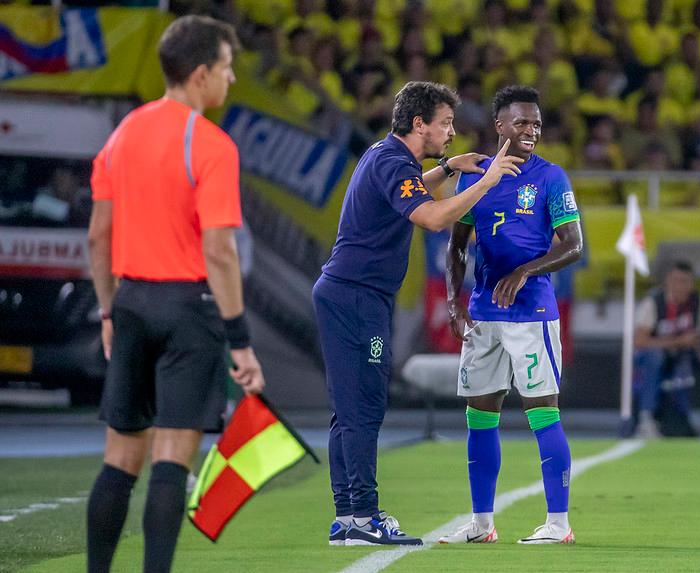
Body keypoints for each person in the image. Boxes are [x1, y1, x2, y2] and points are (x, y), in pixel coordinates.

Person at [86, 16, 265, 572]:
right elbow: (220, 251)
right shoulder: (210, 144)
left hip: (132, 304)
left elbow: (97, 235)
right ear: (201, 73)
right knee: (172, 459)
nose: (231, 81)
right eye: (228, 69)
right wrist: (240, 340)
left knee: (121, 458)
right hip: (190, 312)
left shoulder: (121, 135)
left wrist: (109, 309)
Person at [313, 81, 524, 547]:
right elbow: (430, 218)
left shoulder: (386, 157)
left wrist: (448, 167)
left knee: (348, 409)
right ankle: (365, 516)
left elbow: (410, 192)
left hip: (348, 294)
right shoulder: (393, 161)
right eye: (445, 124)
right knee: (363, 407)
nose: (451, 132)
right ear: (418, 124)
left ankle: (349, 517)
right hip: (357, 298)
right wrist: (487, 183)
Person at [439, 85, 583, 545]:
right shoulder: (475, 176)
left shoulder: (550, 177)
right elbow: (456, 246)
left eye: (537, 123)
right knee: (480, 416)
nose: (531, 130)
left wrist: (524, 270)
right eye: (521, 122)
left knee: (543, 412)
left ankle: (558, 524)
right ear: (499, 125)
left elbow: (573, 244)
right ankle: (482, 525)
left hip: (533, 313)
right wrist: (452, 302)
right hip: (483, 313)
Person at [633, 261, 700, 438]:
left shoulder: (698, 301)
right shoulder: (654, 303)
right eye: (677, 280)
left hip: (688, 352)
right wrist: (678, 342)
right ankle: (647, 419)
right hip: (660, 352)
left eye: (686, 281)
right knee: (654, 358)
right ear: (668, 282)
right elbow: (641, 341)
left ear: (692, 283)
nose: (681, 286)